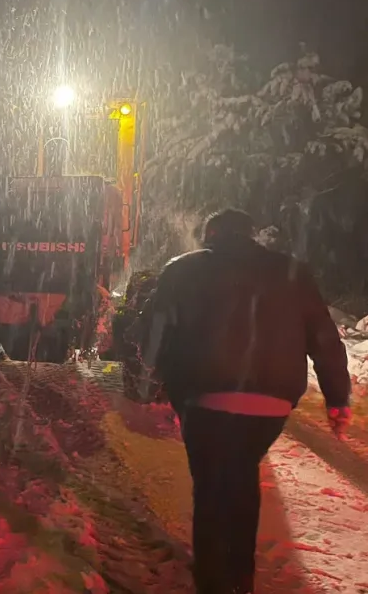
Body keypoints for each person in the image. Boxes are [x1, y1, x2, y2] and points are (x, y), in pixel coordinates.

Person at [141, 208, 351, 594]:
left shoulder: (183, 270)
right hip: (270, 404)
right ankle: (241, 577)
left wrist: (154, 374)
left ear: (210, 235)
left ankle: (213, 582)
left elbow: (156, 331)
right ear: (252, 235)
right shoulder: (291, 272)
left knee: (210, 489)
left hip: (204, 398)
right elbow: (325, 340)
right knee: (241, 471)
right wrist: (338, 399)